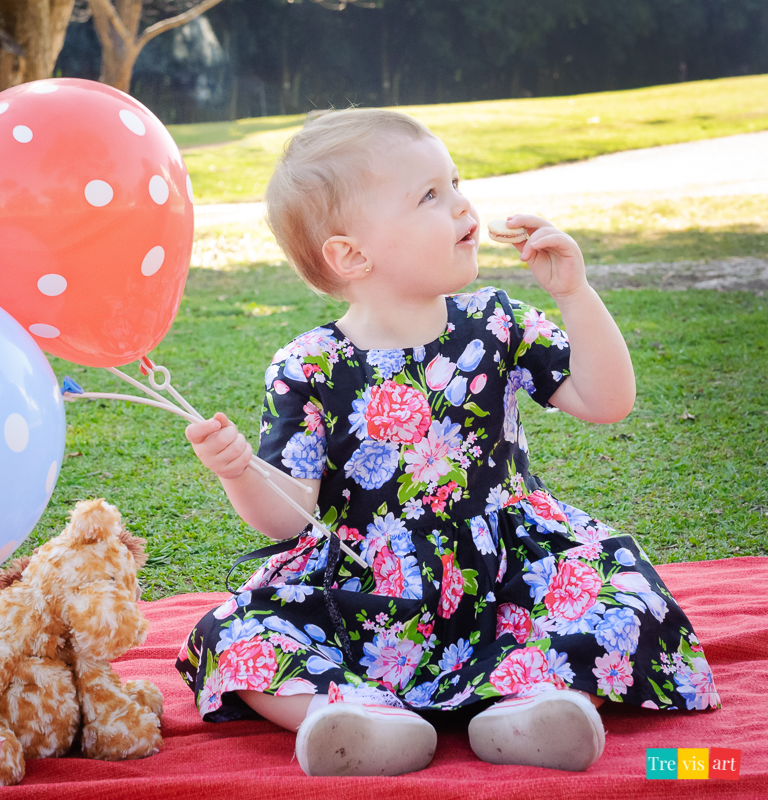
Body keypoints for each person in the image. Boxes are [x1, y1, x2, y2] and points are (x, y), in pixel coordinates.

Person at [175, 109, 719, 777]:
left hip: (507, 574)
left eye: (454, 181)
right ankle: (352, 720)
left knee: (620, 591)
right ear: (350, 254)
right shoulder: (307, 364)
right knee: (236, 632)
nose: (462, 203)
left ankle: (531, 706)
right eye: (429, 195)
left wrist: (574, 295)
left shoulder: (495, 322)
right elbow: (289, 516)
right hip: (366, 589)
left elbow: (606, 403)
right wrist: (239, 472)